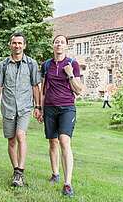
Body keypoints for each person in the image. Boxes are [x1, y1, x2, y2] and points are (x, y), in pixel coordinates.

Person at [0, 32, 41, 187]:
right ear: (10, 45)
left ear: (24, 45)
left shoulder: (31, 64)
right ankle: (16, 169)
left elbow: (36, 87)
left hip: (24, 107)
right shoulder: (2, 65)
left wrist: (38, 106)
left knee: (20, 135)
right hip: (8, 107)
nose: (17, 46)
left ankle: (20, 172)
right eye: (14, 43)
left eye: (20, 43)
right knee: (11, 141)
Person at [39, 34, 83, 197]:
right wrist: (40, 108)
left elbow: (79, 90)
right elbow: (43, 89)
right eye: (56, 42)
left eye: (62, 42)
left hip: (67, 108)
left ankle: (67, 183)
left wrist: (70, 74)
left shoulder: (73, 64)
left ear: (66, 46)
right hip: (50, 107)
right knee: (52, 142)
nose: (59, 45)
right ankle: (55, 173)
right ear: (53, 45)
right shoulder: (46, 65)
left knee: (64, 141)